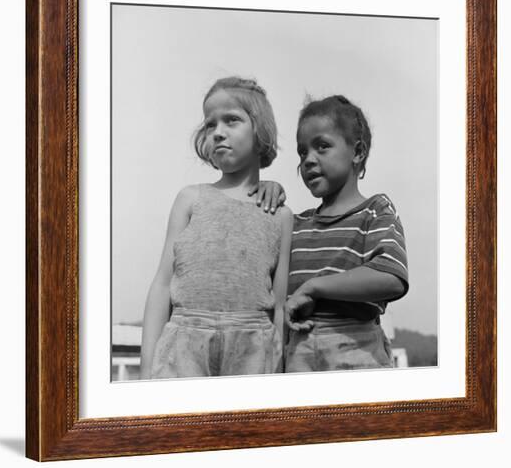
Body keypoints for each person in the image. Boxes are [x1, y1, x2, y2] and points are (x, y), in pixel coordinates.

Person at [140, 77, 293, 379]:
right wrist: (146, 368)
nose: (218, 133)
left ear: (259, 129)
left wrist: (281, 374)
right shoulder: (190, 198)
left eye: (231, 120)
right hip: (183, 343)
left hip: (254, 349)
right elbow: (162, 284)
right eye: (211, 125)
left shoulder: (280, 214)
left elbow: (279, 304)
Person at [285, 95, 409, 372]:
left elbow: (391, 277)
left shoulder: (375, 210)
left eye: (322, 146)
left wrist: (314, 287)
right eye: (302, 152)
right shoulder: (295, 224)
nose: (308, 160)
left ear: (357, 152)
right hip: (297, 354)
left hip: (359, 350)